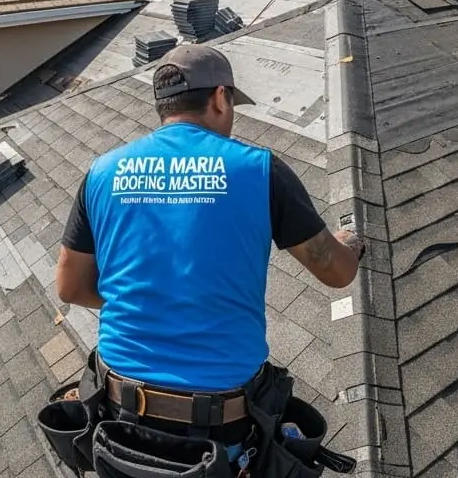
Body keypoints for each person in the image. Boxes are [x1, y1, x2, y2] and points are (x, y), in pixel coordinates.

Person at [53, 44, 364, 474]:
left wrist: (150, 299)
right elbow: (337, 271)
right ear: (220, 98)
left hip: (118, 421)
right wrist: (350, 243)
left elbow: (70, 287)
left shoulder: (102, 173)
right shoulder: (258, 170)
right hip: (218, 432)